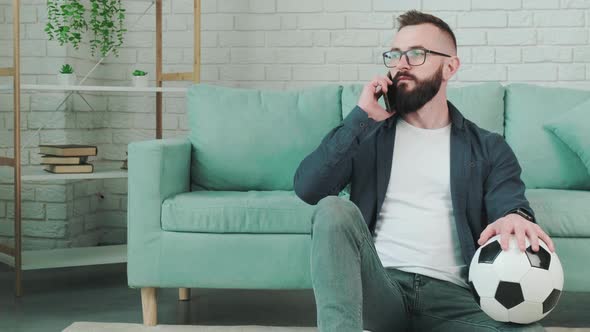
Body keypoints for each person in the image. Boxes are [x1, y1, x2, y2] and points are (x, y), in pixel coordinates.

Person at [293, 10, 554, 332]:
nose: (401, 64)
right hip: (380, 289)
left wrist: (516, 215)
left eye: (417, 54)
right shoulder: (366, 135)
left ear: (450, 66)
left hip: (454, 298)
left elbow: (508, 199)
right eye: (395, 55)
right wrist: (359, 117)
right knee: (333, 209)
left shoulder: (488, 147)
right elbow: (309, 189)